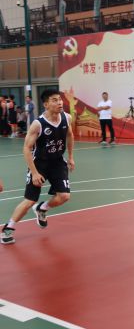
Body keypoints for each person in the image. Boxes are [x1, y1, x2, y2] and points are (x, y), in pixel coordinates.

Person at [1, 89, 75, 245]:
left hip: (57, 162)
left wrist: (70, 157)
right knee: (29, 200)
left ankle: (42, 208)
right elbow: (26, 148)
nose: (59, 102)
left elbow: (70, 135)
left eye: (60, 99)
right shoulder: (38, 124)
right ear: (46, 104)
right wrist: (34, 173)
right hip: (39, 164)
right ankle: (9, 227)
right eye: (54, 100)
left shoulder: (67, 118)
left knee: (64, 196)